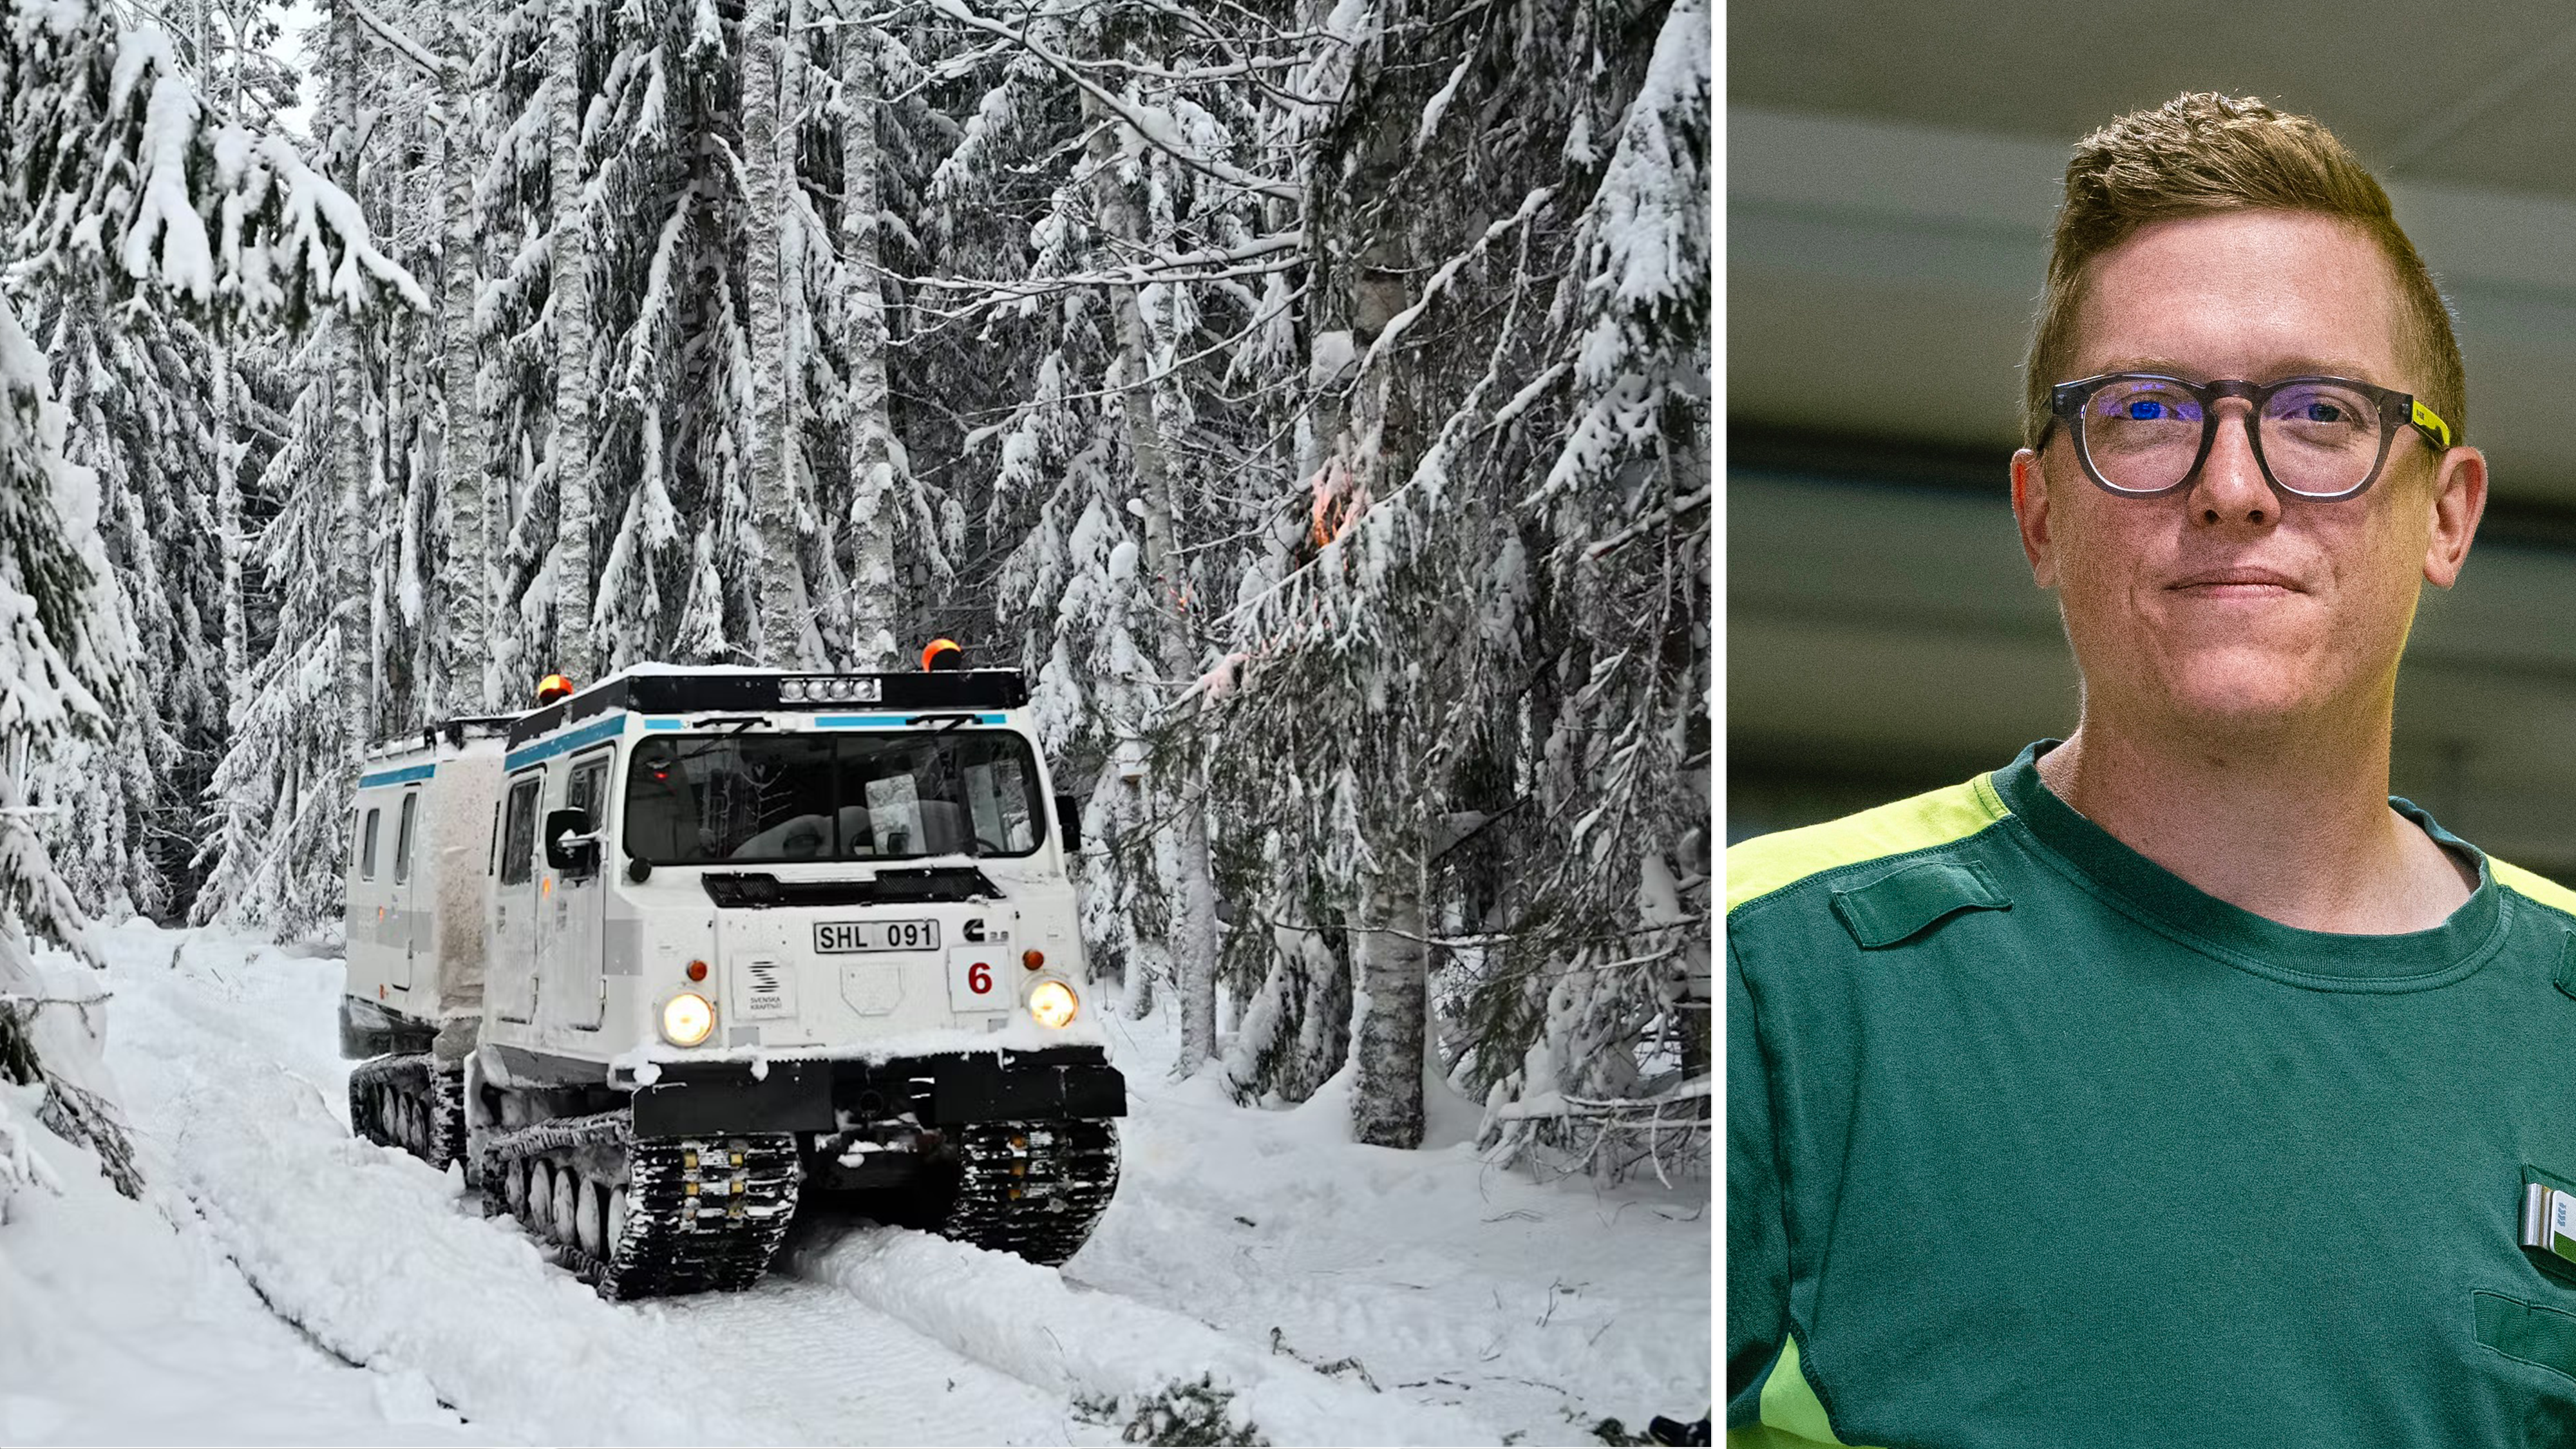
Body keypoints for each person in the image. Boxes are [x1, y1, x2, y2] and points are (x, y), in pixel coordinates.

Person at [1727, 93, 2576, 1447]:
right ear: (2039, 516)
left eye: (2317, 412)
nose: (2231, 484)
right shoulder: (1775, 977)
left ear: (2448, 515)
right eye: (2142, 410)